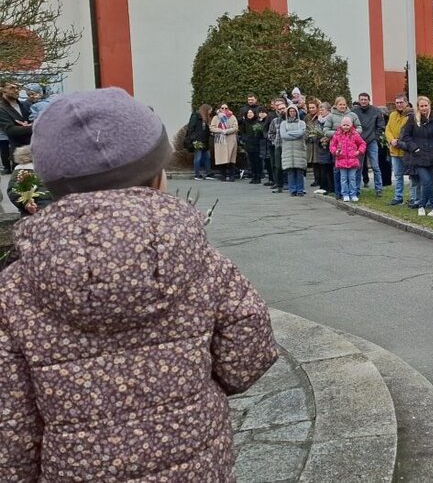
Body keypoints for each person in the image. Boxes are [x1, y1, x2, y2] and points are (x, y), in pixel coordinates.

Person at [3, 87, 277, 480]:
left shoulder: (15, 290)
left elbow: (11, 423)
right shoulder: (200, 262)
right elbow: (249, 352)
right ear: (157, 175)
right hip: (196, 459)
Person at [399, 96, 433, 216]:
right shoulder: (413, 119)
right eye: (421, 106)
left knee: (429, 182)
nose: (424, 108)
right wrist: (414, 148)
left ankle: (423, 205)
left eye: (426, 105)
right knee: (427, 181)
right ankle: (432, 205)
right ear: (418, 107)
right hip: (418, 157)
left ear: (429, 105)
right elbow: (406, 136)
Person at [352, 92, 386, 197]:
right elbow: (351, 125)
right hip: (358, 142)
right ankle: (356, 189)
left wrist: (375, 137)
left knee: (375, 166)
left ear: (369, 100)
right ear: (359, 100)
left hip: (372, 141)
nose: (363, 101)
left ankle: (379, 189)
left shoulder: (376, 111)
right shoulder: (354, 112)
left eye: (365, 99)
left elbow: (381, 126)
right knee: (358, 167)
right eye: (361, 99)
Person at [330, 115, 366, 202]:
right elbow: (332, 145)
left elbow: (362, 143)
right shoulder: (337, 134)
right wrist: (335, 152)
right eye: (344, 125)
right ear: (341, 125)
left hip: (352, 160)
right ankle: (345, 194)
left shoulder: (355, 134)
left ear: (351, 125)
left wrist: (359, 151)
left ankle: (353, 194)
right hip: (341, 161)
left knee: (352, 178)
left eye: (347, 125)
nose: (345, 127)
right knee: (343, 179)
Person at [6, 146, 52, 216]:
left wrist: (26, 204)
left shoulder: (19, 170)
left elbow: (14, 192)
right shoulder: (48, 168)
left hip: (31, 209)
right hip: (49, 206)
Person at [386, 94, 413, 206]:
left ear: (406, 103)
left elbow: (407, 131)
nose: (399, 105)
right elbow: (388, 129)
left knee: (412, 176)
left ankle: (413, 197)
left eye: (401, 102)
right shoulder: (392, 115)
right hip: (394, 150)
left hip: (406, 150)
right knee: (397, 175)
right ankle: (398, 197)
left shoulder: (410, 115)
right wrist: (391, 140)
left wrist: (399, 141)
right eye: (397, 103)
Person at [279, 104, 308, 197]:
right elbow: (283, 135)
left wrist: (289, 133)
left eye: (294, 111)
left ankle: (300, 189)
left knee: (299, 171)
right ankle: (292, 190)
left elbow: (301, 133)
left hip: (299, 150)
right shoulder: (283, 123)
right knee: (290, 171)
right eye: (290, 111)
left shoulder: (302, 123)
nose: (292, 113)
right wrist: (295, 134)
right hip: (288, 151)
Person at [210, 103, 239, 182]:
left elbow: (235, 127)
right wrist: (221, 131)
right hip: (220, 140)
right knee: (221, 158)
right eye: (222, 108)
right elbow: (212, 127)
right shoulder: (216, 118)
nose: (224, 109)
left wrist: (226, 131)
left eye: (226, 108)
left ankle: (232, 176)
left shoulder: (232, 117)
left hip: (230, 139)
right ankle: (223, 175)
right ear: (219, 109)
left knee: (231, 159)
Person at [0, 80, 33, 148]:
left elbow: (38, 119)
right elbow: (10, 129)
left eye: (17, 88)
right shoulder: (2, 109)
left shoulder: (27, 105)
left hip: (34, 146)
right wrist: (32, 127)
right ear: (3, 90)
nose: (16, 90)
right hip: (17, 149)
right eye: (12, 88)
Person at [265, 98, 286, 191]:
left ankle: (287, 182)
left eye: (283, 107)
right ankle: (278, 183)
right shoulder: (274, 120)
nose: (281, 110)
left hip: (288, 145)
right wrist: (274, 141)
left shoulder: (291, 118)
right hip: (277, 145)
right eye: (279, 107)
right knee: (277, 165)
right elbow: (270, 132)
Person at [187, 104, 213, 180]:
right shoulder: (196, 116)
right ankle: (197, 174)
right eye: (209, 111)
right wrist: (193, 138)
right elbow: (191, 127)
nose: (210, 112)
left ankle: (208, 173)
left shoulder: (206, 119)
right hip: (198, 140)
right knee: (198, 157)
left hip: (205, 140)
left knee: (207, 157)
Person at [314, 102, 335, 195]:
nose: (321, 112)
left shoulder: (332, 120)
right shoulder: (317, 121)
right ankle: (323, 186)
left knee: (330, 169)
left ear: (328, 110)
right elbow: (313, 134)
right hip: (321, 148)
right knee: (323, 169)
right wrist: (320, 139)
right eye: (320, 110)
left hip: (330, 148)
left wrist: (328, 139)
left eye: (323, 110)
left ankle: (331, 187)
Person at [240, 108, 266, 184]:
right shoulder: (245, 122)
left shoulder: (258, 122)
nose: (250, 114)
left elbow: (261, 133)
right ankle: (253, 176)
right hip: (248, 143)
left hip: (257, 144)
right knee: (251, 161)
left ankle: (258, 176)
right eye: (248, 113)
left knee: (257, 161)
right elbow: (243, 132)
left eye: (251, 112)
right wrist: (245, 139)